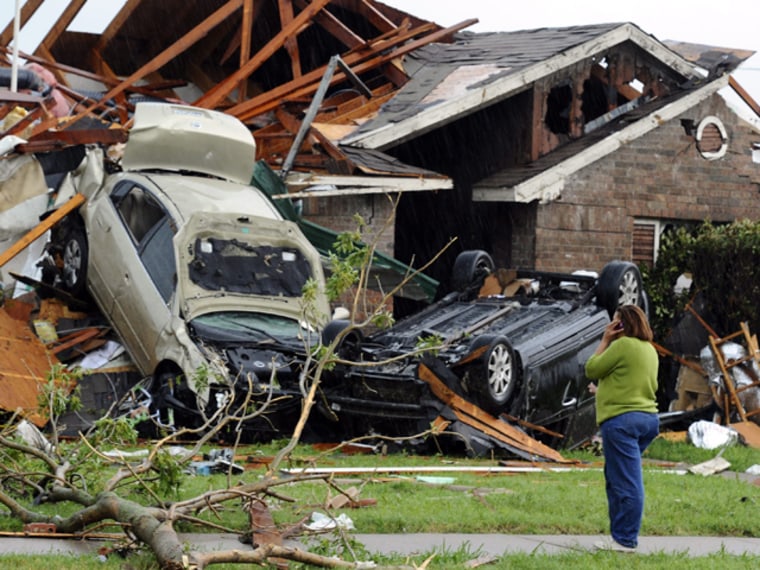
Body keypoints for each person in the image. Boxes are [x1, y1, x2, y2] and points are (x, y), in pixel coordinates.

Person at [585, 304, 659, 553]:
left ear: (620, 325)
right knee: (618, 478)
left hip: (622, 422)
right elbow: (635, 384)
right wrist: (602, 390)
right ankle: (618, 536)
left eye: (614, 321)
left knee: (626, 481)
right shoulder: (649, 350)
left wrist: (605, 339)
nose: (611, 326)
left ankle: (625, 540)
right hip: (647, 419)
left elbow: (591, 368)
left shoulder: (622, 345)